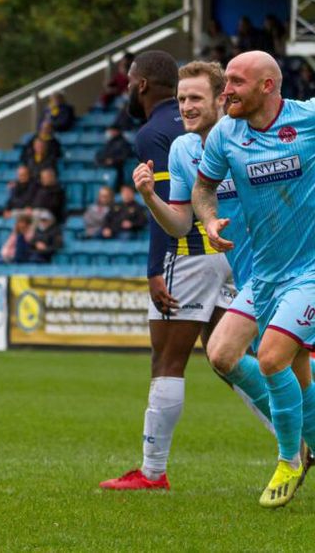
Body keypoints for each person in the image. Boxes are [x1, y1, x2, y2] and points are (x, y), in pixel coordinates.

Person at [99, 51, 234, 493]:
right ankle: (295, 445)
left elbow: (173, 211)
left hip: (190, 254)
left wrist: (155, 269)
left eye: (195, 97)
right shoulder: (227, 132)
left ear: (139, 85)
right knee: (239, 361)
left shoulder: (155, 133)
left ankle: (153, 471)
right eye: (182, 98)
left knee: (167, 362)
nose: (187, 107)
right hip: (234, 254)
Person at [193, 50, 315, 507]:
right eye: (225, 82)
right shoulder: (226, 132)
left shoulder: (307, 120)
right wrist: (208, 220)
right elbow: (204, 187)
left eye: (236, 83)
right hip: (264, 274)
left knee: (270, 359)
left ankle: (289, 460)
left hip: (310, 271)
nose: (227, 91)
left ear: (268, 86)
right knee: (222, 352)